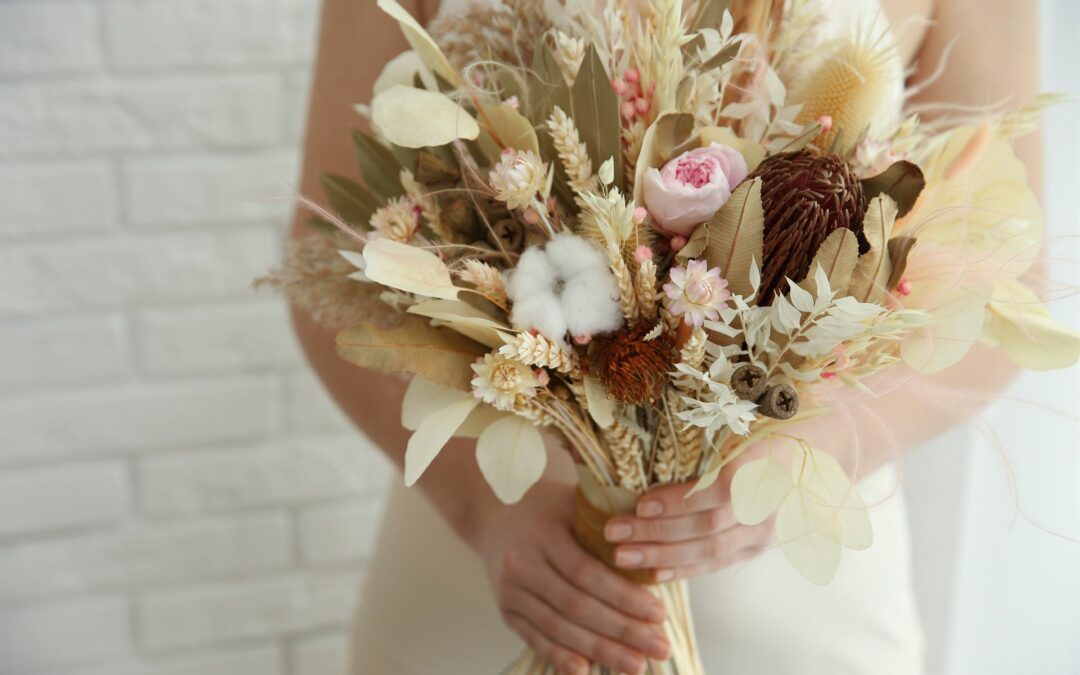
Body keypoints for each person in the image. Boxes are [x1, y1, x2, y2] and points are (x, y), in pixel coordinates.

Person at [289, 1, 1041, 672]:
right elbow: (329, 255)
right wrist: (483, 512)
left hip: (796, 615)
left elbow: (1004, 288)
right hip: (486, 583)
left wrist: (807, 459)